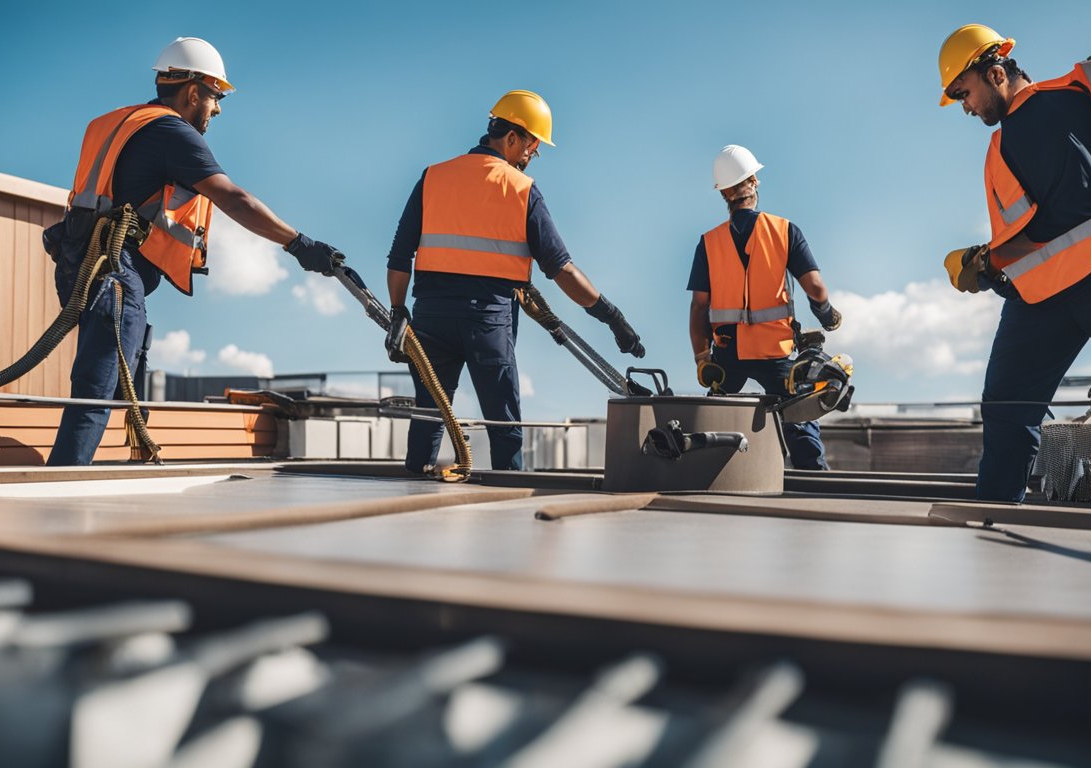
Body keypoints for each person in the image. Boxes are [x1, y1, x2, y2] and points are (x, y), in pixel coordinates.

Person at [46, 37, 345, 465]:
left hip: (84, 264)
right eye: (216, 97)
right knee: (95, 394)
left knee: (121, 387)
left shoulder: (119, 122)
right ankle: (59, 493)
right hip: (115, 273)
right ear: (192, 93)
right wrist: (298, 243)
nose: (218, 109)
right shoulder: (171, 130)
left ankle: (133, 468)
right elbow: (234, 199)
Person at [939, 23, 1091, 500]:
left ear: (996, 72)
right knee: (1007, 405)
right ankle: (993, 519)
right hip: (1045, 292)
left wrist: (990, 266)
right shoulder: (1004, 144)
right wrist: (988, 266)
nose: (965, 107)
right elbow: (1041, 226)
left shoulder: (1061, 104)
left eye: (964, 92)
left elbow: (1078, 202)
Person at [384, 90, 645, 474]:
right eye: (531, 149)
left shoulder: (434, 176)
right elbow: (563, 271)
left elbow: (399, 256)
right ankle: (507, 508)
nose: (530, 158)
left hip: (431, 318)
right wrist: (611, 317)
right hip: (488, 321)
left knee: (428, 414)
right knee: (504, 424)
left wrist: (397, 313)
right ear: (512, 138)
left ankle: (410, 501)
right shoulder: (522, 191)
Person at [686, 145, 842, 470]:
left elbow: (699, 307)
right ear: (753, 181)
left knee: (710, 432)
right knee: (800, 424)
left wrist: (702, 358)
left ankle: (703, 486)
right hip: (776, 351)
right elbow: (815, 287)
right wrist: (828, 315)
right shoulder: (785, 231)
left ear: (723, 192)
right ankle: (814, 491)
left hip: (728, 354)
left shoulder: (709, 242)